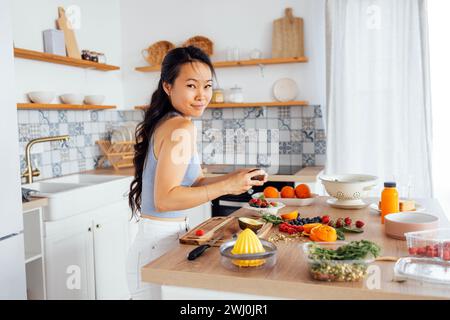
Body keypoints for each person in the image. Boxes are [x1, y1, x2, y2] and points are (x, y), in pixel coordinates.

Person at [126, 46, 268, 299]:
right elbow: (166, 199)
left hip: (163, 241)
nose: (202, 95)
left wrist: (237, 177)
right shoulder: (180, 126)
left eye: (207, 86)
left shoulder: (178, 122)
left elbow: (194, 181)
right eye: (191, 86)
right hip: (157, 246)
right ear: (168, 87)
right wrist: (227, 187)